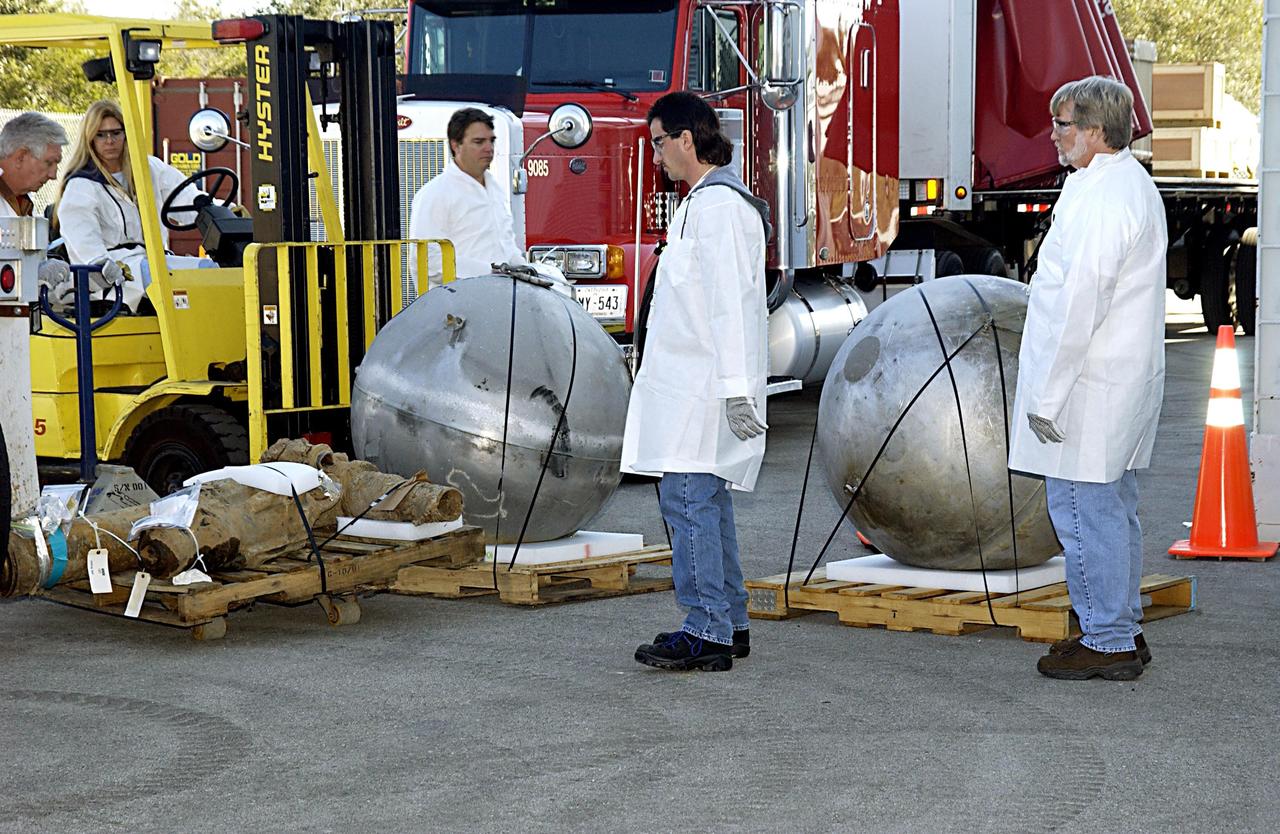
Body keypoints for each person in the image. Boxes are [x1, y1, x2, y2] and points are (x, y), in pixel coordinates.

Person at [1008, 75, 1167, 681]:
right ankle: (1121, 624)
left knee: (1081, 511)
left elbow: (1079, 305)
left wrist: (1047, 396)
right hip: (1108, 380)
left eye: (1063, 124)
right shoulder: (1117, 184)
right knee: (1112, 509)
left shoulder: (1105, 199)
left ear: (1097, 131)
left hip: (1087, 384)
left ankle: (1106, 639)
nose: (1053, 135)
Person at [624, 92, 771, 672]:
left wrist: (735, 389)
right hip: (691, 387)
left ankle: (706, 627)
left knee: (687, 503)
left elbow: (733, 304)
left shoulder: (720, 209)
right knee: (704, 504)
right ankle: (729, 620)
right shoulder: (699, 204)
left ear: (687, 138)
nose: (656, 154)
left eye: (660, 142)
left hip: (704, 390)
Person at [54, 100, 209, 312]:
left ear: (126, 134)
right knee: (158, 276)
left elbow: (185, 197)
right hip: (114, 272)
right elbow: (83, 240)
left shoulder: (148, 168)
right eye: (101, 135)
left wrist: (212, 210)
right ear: (89, 138)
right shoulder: (82, 185)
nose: (110, 141)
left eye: (116, 133)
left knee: (210, 270)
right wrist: (101, 264)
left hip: (155, 261)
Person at [407, 107, 525, 290]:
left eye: (491, 141)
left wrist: (526, 269)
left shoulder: (495, 189)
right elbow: (427, 259)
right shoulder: (434, 194)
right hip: (456, 300)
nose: (489, 148)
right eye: (479, 142)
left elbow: (506, 246)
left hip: (502, 296)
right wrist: (490, 271)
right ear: (456, 145)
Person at [0, 112, 85, 304]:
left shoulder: (23, 204)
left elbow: (44, 287)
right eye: (49, 163)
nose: (53, 175)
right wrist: (31, 275)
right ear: (21, 157)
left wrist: (92, 281)